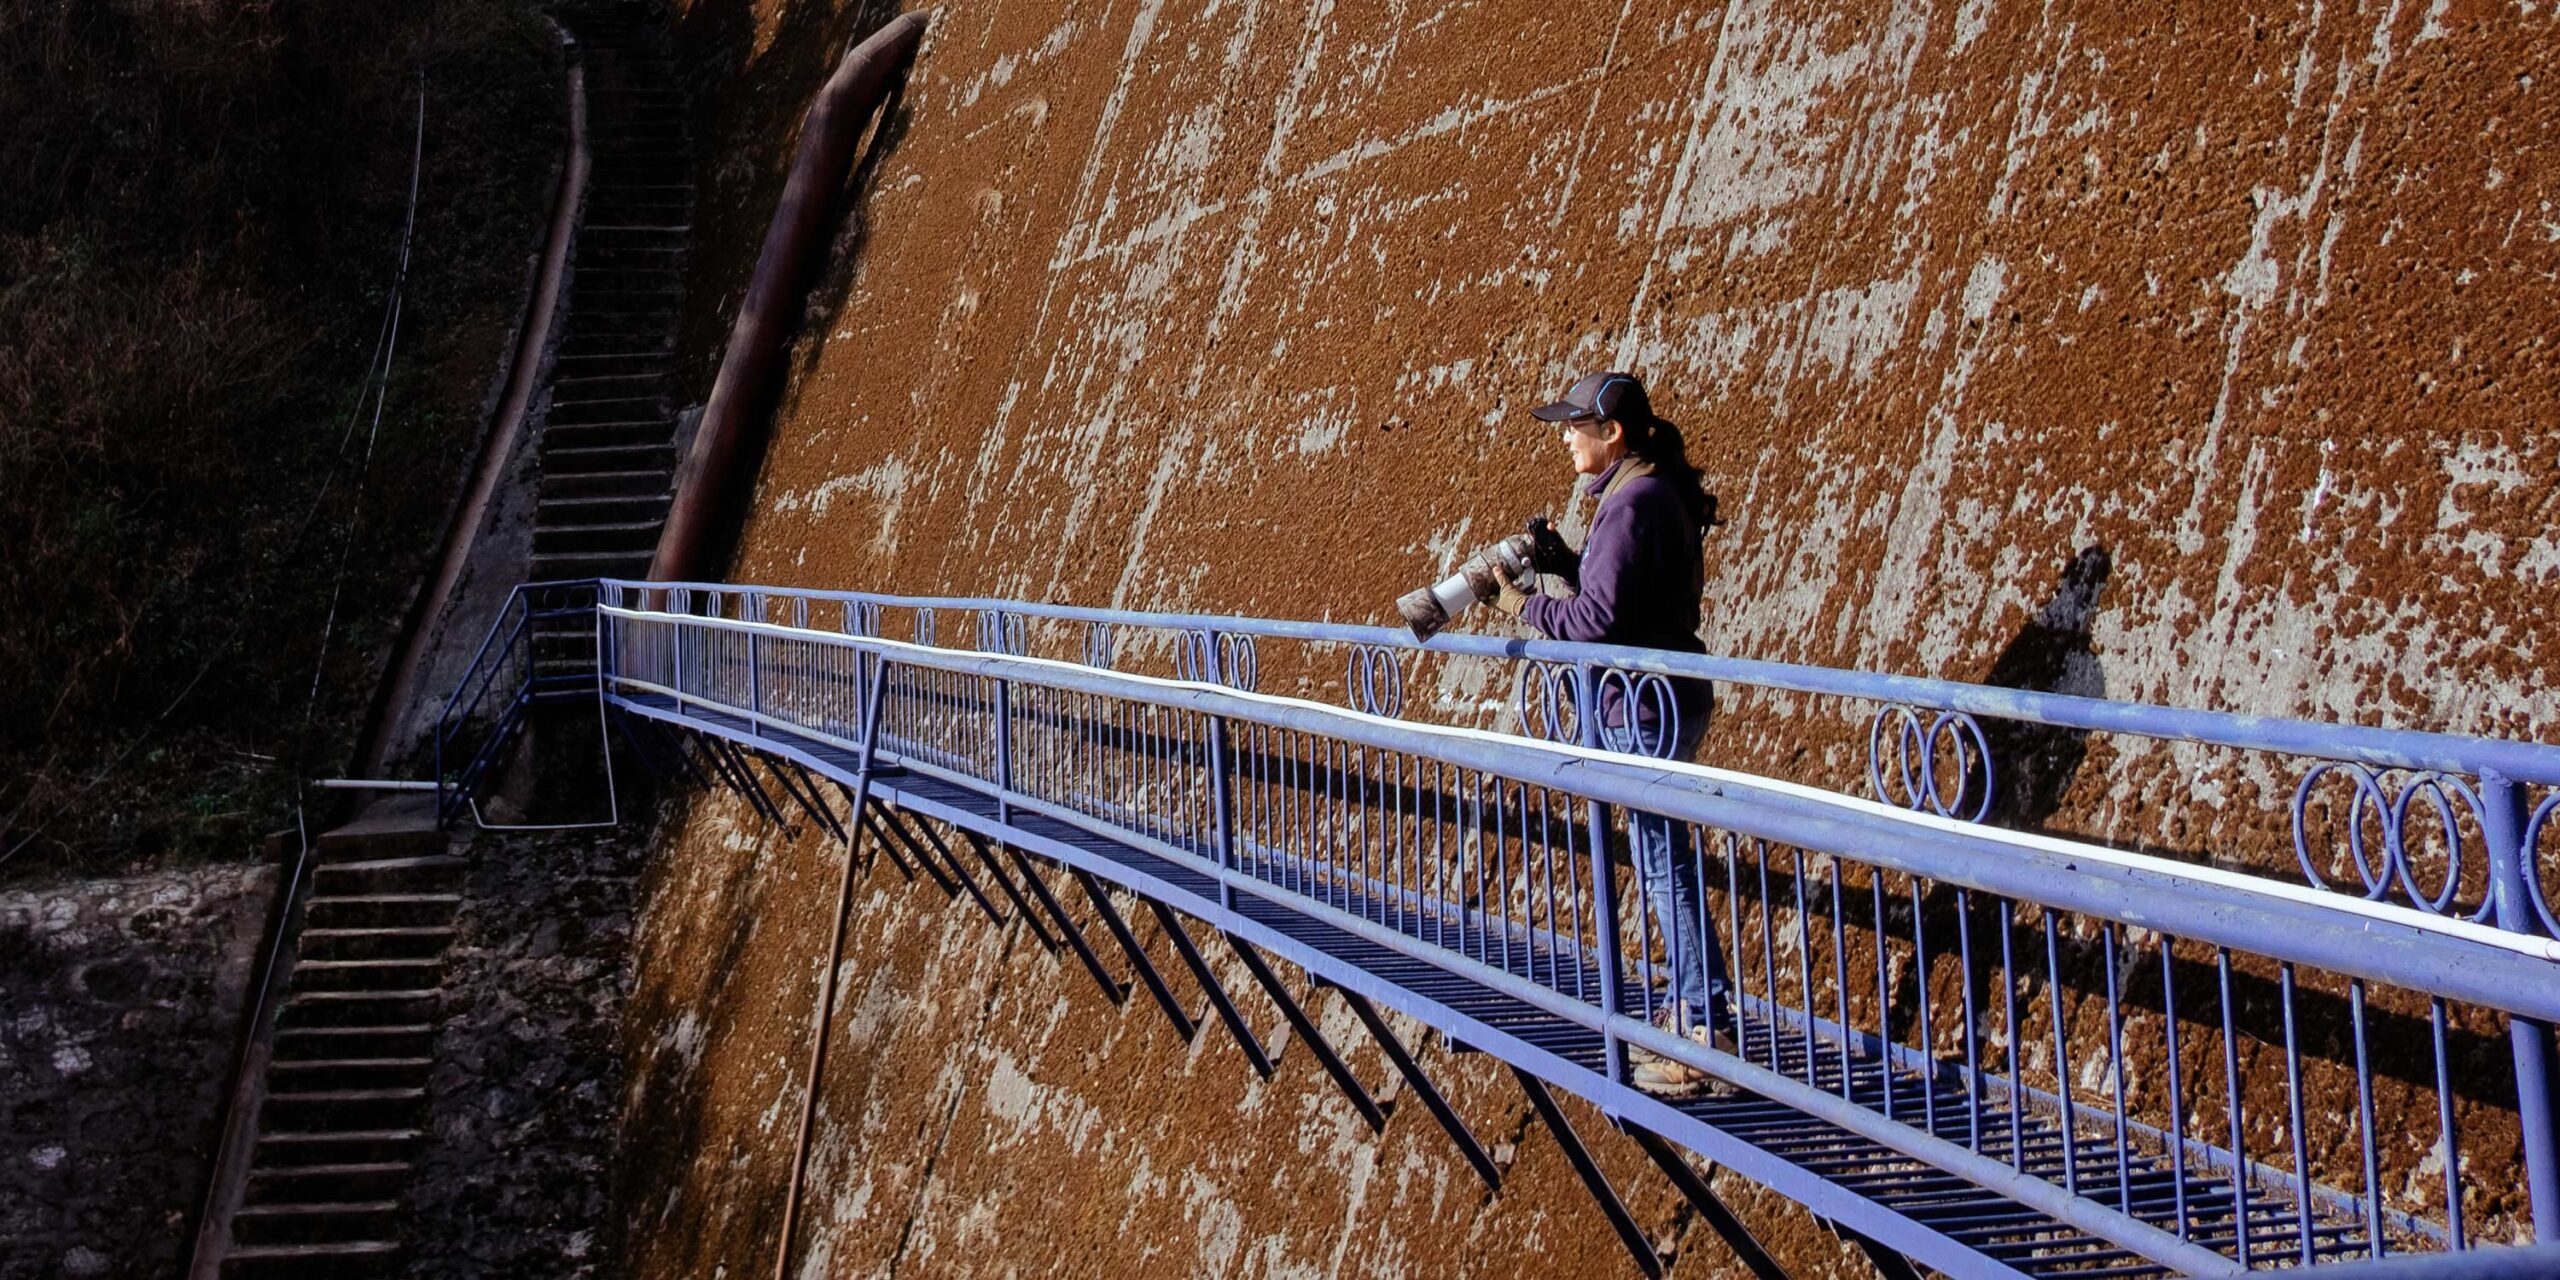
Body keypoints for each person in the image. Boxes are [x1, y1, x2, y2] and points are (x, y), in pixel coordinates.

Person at [1491, 370, 1736, 1097]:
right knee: (1666, 862)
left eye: (1574, 426)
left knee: (1664, 869)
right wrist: (1566, 562)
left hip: (1644, 711)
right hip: (1665, 698)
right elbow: (1625, 599)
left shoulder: (1632, 506)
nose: (1565, 437)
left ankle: (1703, 1030)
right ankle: (1696, 1018)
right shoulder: (1649, 492)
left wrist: (1523, 605)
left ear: (1613, 433)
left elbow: (1596, 623)